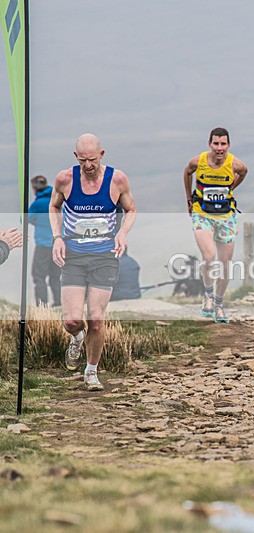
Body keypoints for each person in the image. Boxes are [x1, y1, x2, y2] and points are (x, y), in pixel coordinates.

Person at [50, 133, 137, 391]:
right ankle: (77, 338)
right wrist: (57, 237)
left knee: (96, 320)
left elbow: (131, 209)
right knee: (72, 320)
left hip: (104, 256)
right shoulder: (65, 179)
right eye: (83, 160)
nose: (88, 166)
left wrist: (122, 232)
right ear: (76, 157)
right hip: (74, 256)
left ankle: (91, 371)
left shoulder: (117, 179)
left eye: (92, 160)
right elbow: (54, 207)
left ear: (102, 155)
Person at [183, 127, 248, 322]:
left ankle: (219, 305)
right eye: (216, 144)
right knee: (209, 256)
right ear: (209, 144)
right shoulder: (198, 161)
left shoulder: (236, 165)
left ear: (228, 145)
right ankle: (208, 296)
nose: (219, 148)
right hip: (202, 214)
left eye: (223, 144)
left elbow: (243, 173)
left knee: (225, 264)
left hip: (226, 216)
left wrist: (231, 188)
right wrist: (189, 198)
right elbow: (187, 173)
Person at [28, 175, 62, 306]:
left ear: (34, 189)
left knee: (39, 276)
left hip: (43, 245)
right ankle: (58, 303)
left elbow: (24, 219)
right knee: (55, 276)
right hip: (58, 245)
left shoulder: (38, 204)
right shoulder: (57, 199)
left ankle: (42, 305)